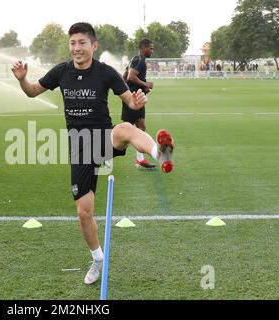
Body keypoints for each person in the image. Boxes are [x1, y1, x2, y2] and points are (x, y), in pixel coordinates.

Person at [11, 23, 174, 285]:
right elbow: (32, 92)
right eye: (73, 43)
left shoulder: (106, 73)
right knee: (84, 213)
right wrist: (21, 79)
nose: (76, 48)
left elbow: (129, 101)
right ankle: (97, 258)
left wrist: (138, 101)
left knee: (125, 128)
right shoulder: (61, 72)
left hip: (103, 138)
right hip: (79, 146)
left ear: (93, 45)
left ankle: (160, 153)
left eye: (82, 43)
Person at [121, 39, 156, 169]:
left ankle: (140, 160)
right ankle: (105, 153)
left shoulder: (135, 59)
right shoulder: (139, 60)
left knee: (141, 127)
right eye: (151, 48)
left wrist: (142, 87)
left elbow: (125, 77)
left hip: (137, 97)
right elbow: (130, 76)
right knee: (125, 130)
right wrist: (145, 84)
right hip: (133, 99)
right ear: (144, 48)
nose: (152, 51)